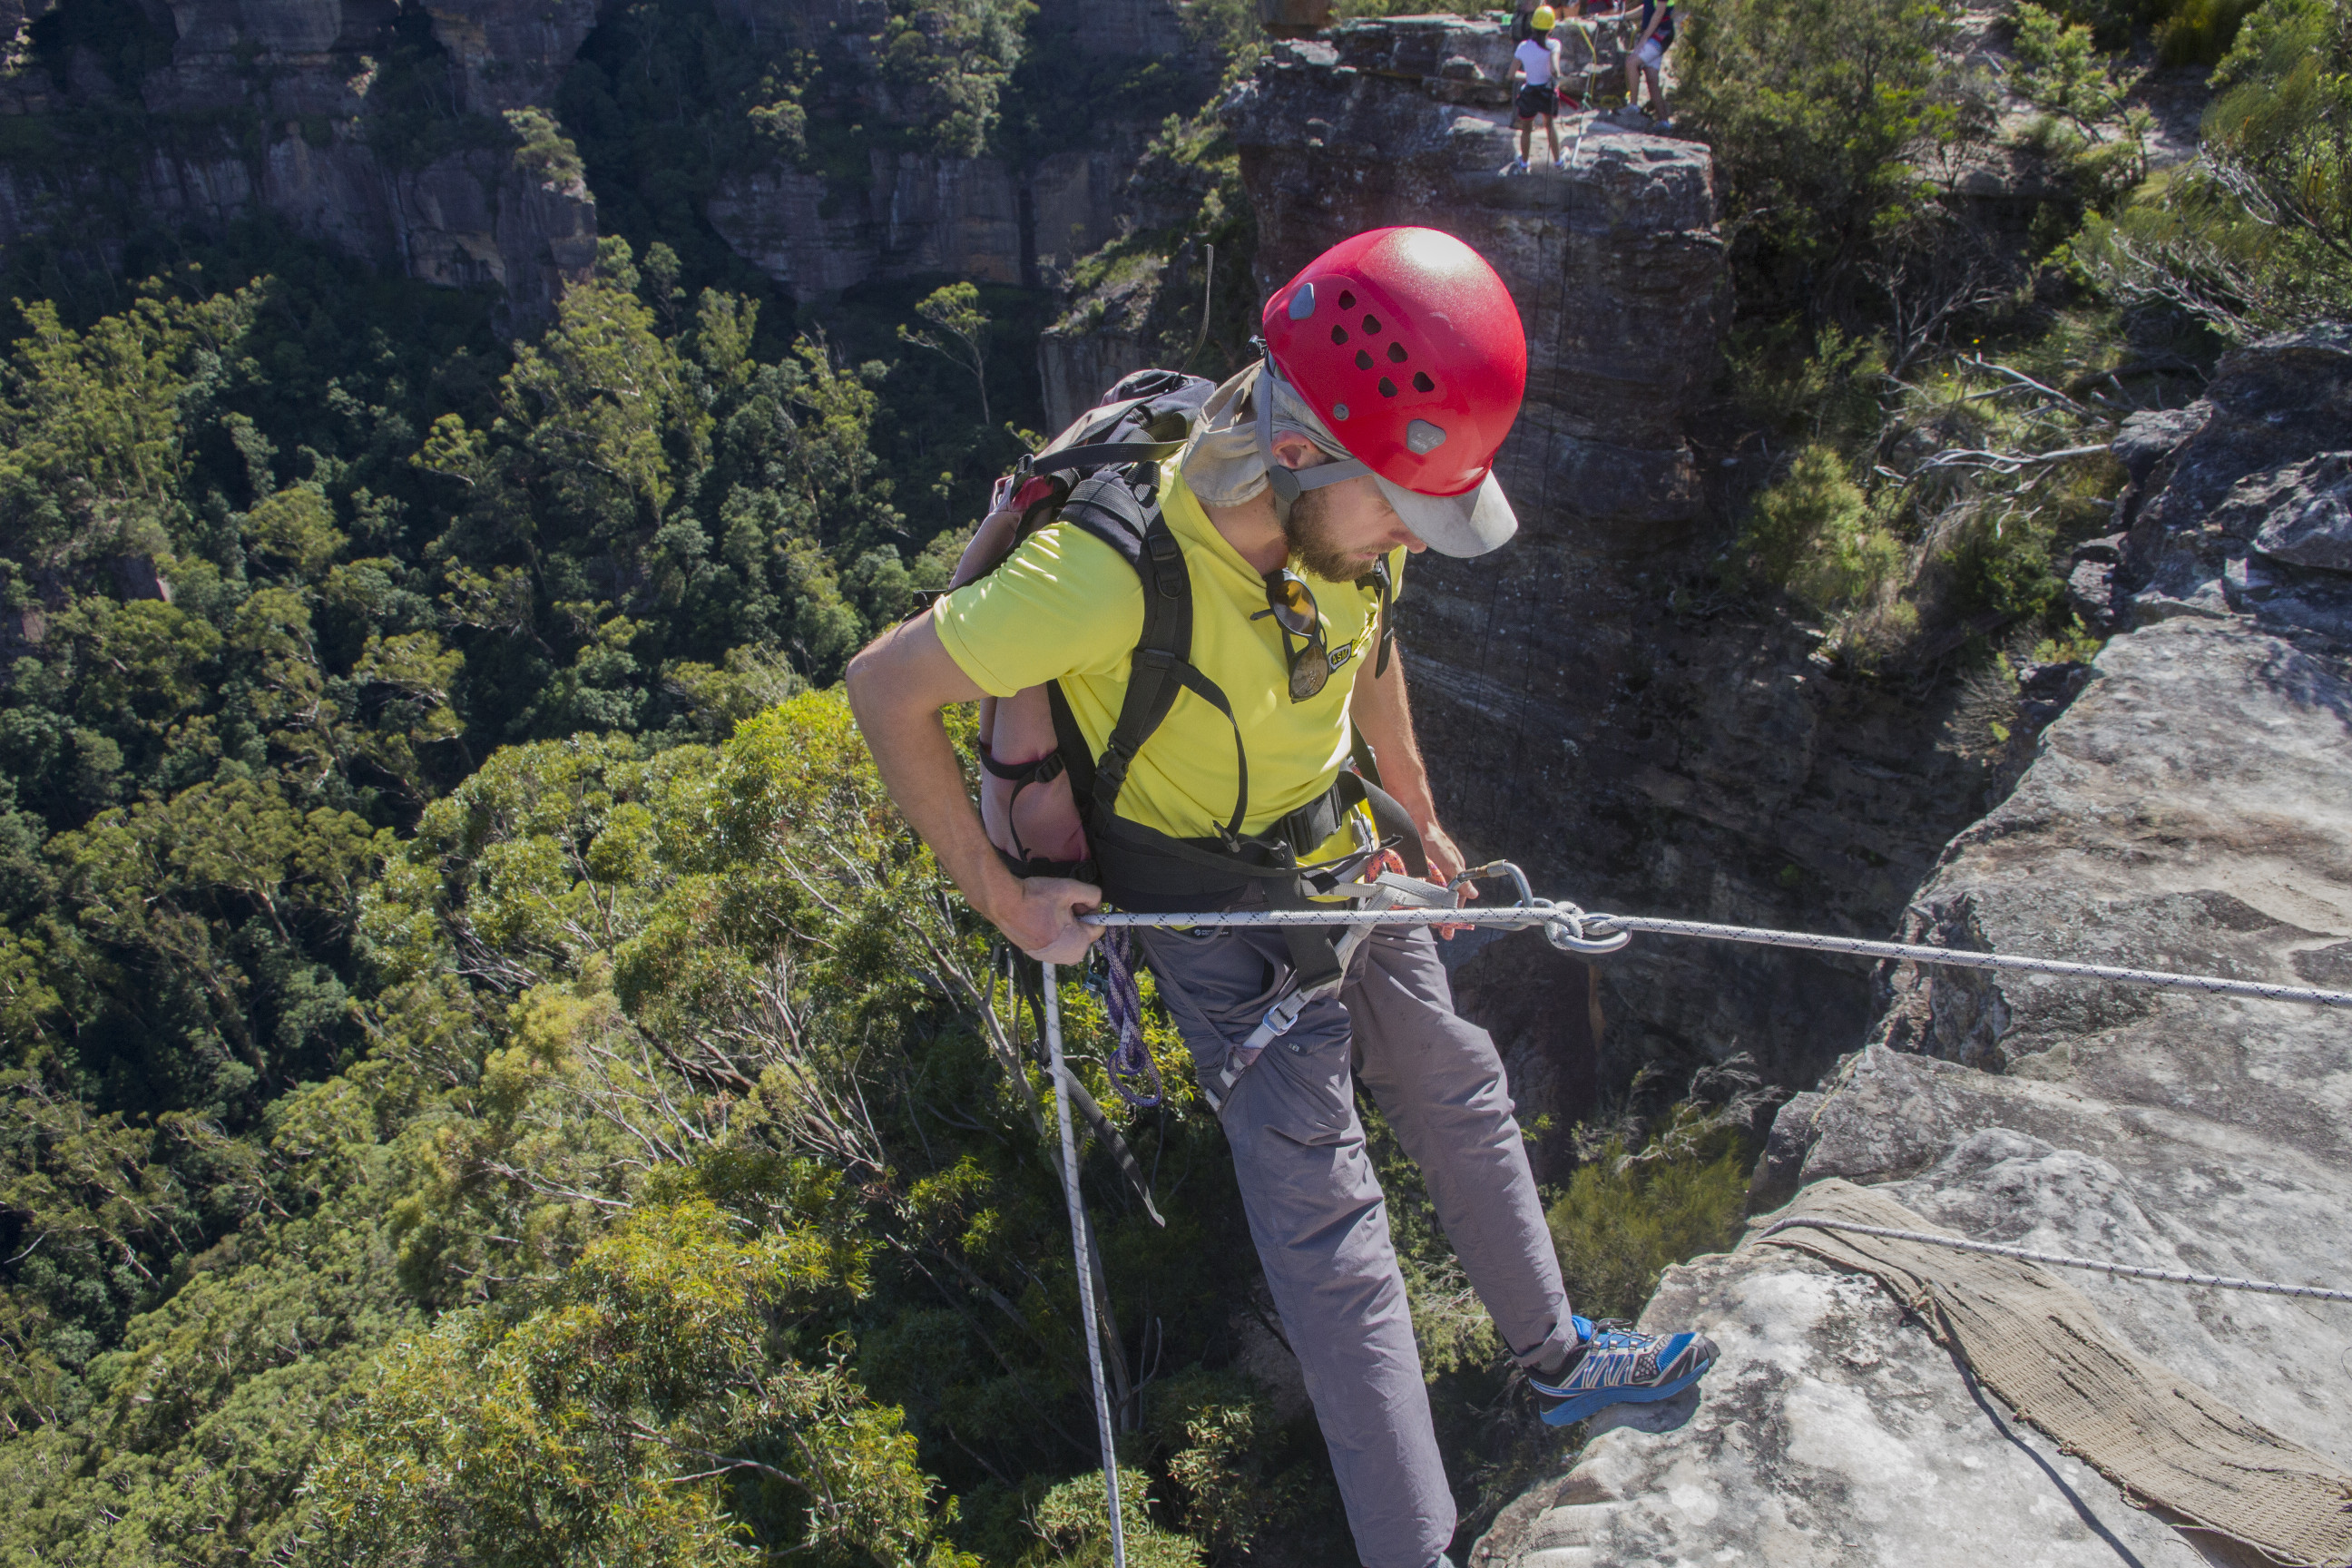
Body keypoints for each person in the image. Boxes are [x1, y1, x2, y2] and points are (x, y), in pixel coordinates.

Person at [845, 227, 1717, 1568]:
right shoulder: (1102, 574)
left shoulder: (1352, 512)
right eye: (1398, 510)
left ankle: (1557, 1361)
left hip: (1337, 854)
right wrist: (1004, 905)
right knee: (1333, 1230)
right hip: (1209, 915)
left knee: (1455, 1075)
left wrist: (1417, 812)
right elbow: (884, 687)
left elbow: (1369, 641)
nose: (1402, 543)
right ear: (1301, 450)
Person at [1509, 5, 1565, 173]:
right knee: (1550, 125)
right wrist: (1557, 76)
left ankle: (1524, 163)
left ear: (1533, 27)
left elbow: (1511, 75)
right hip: (1546, 92)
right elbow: (1554, 70)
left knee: (1526, 129)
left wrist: (1528, 76)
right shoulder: (1554, 45)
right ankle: (1558, 162)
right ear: (1551, 28)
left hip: (1529, 92)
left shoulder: (1523, 47)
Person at [1626, 0, 1674, 122]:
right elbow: (1646, 8)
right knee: (1652, 79)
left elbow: (1659, 12)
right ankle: (1664, 122)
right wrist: (1623, 16)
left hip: (1660, 34)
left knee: (1631, 62)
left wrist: (1644, 39)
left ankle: (1633, 107)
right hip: (1656, 34)